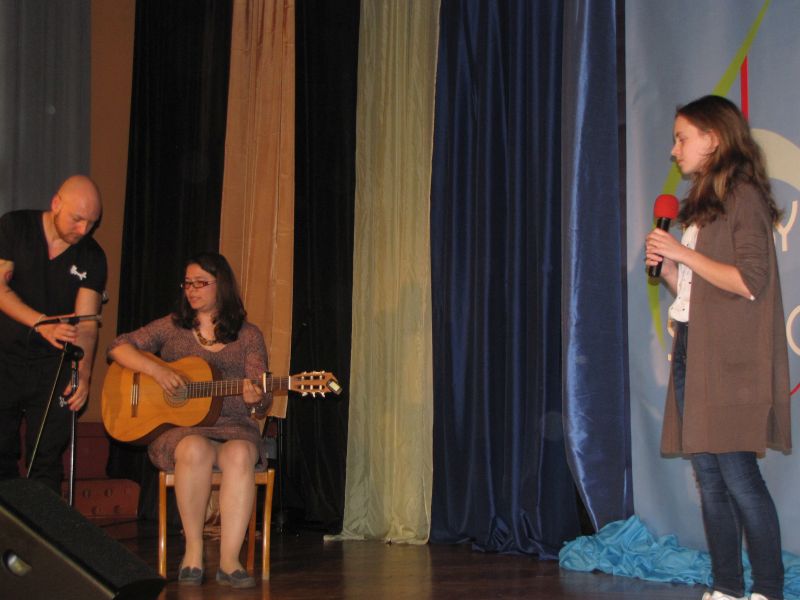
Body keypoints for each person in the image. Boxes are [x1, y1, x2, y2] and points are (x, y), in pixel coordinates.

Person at [645, 95, 791, 600]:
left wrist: (681, 252)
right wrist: (671, 269)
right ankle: (726, 587)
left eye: (682, 138)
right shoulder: (702, 205)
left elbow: (750, 280)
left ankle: (768, 589)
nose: (674, 149)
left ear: (713, 138)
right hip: (695, 349)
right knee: (709, 479)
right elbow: (698, 290)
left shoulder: (743, 195)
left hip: (731, 362)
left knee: (739, 477)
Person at [108, 251, 271, 589]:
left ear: (221, 285)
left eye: (201, 283)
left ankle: (229, 559)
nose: (192, 290)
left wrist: (256, 399)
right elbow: (119, 346)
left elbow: (262, 397)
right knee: (193, 448)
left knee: (241, 454)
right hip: (180, 430)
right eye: (187, 284)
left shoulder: (248, 335)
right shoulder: (172, 327)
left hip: (235, 426)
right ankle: (193, 550)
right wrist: (156, 370)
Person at [0, 174, 106, 494]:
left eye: (91, 223)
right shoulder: (15, 228)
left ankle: (41, 524)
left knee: (45, 461)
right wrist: (41, 322)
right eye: (77, 219)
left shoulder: (92, 256)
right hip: (5, 356)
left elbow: (87, 324)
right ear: (56, 203)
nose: (83, 230)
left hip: (53, 365)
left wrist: (82, 373)